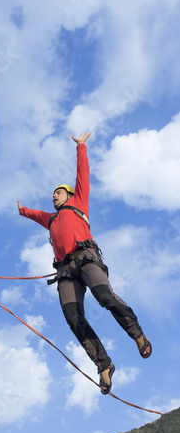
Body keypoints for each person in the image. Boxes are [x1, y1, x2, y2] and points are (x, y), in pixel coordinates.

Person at [17, 132, 151, 395]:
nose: (53, 196)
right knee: (72, 317)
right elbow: (35, 215)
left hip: (87, 258)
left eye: (58, 192)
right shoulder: (51, 219)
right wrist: (22, 211)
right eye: (53, 194)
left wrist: (81, 146)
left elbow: (82, 174)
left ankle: (137, 333)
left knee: (105, 297)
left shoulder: (78, 202)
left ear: (68, 195)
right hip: (65, 271)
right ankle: (104, 364)